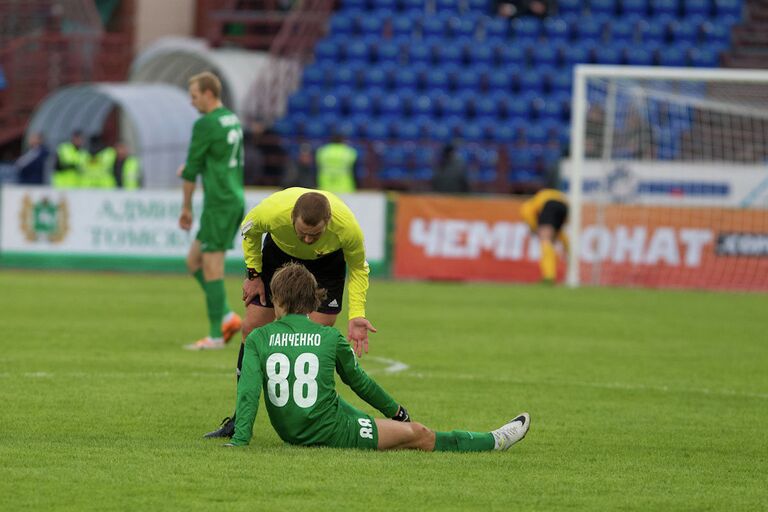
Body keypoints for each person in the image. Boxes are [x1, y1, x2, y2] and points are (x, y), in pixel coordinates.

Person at [226, 262, 532, 452]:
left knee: (350, 410)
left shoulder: (257, 339)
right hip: (328, 431)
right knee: (419, 435)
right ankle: (494, 440)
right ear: (312, 300)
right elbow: (360, 382)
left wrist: (239, 440)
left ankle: (391, 424)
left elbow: (249, 392)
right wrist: (397, 411)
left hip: (291, 429)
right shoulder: (330, 337)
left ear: (277, 300)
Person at [204, 187, 376, 438]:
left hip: (327, 265)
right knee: (251, 329)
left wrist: (357, 314)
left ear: (327, 223)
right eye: (302, 233)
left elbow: (359, 269)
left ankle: (314, 420)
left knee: (315, 338)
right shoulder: (271, 212)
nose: (307, 240)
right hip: (279, 257)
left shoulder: (347, 228)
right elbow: (248, 230)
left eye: (315, 235)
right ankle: (238, 421)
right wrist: (253, 274)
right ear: (291, 218)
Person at [178, 71, 244, 350]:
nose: (192, 103)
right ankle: (228, 316)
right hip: (231, 195)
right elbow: (218, 159)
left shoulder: (205, 124)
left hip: (219, 201)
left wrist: (186, 208)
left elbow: (191, 171)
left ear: (208, 93)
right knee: (193, 261)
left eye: (194, 96)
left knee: (212, 267)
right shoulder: (231, 118)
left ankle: (216, 335)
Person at [519, 188, 569, 284]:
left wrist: (534, 228)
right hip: (564, 206)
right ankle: (569, 256)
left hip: (550, 205)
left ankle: (549, 276)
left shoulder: (530, 204)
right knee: (554, 239)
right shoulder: (545, 195)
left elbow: (526, 213)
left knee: (545, 240)